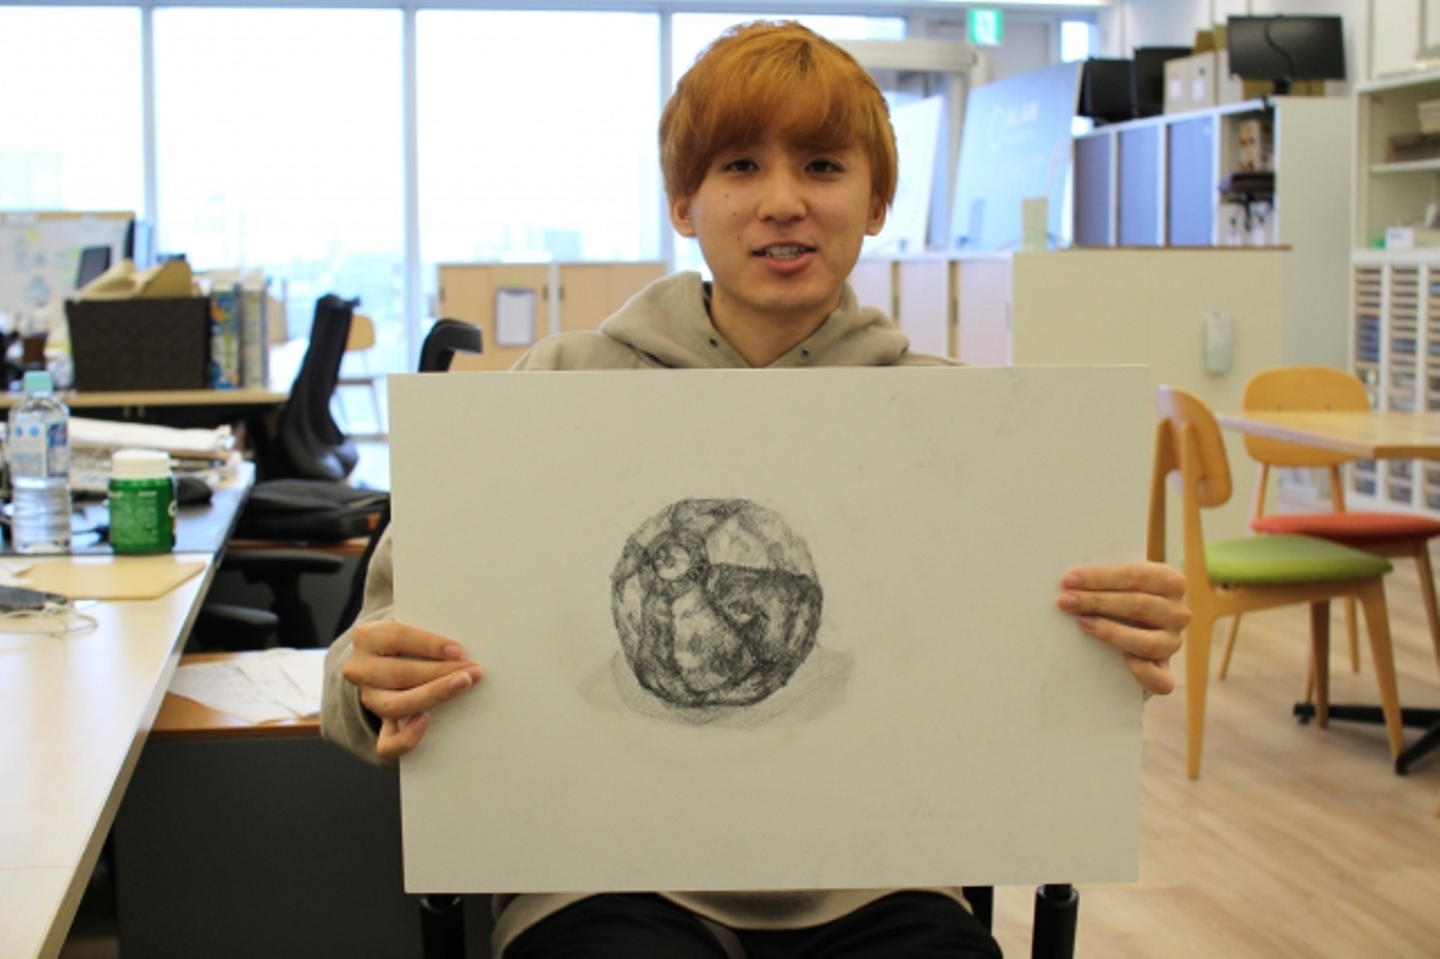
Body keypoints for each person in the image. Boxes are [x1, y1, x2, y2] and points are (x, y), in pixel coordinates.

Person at [322, 20, 1189, 959]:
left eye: (823, 166)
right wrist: (378, 686)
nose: (782, 202)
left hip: (880, 870)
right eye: (739, 165)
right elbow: (354, 671)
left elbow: (1021, 688)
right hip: (606, 867)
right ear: (684, 201)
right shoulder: (554, 393)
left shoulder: (957, 430)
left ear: (876, 199)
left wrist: (1114, 649)